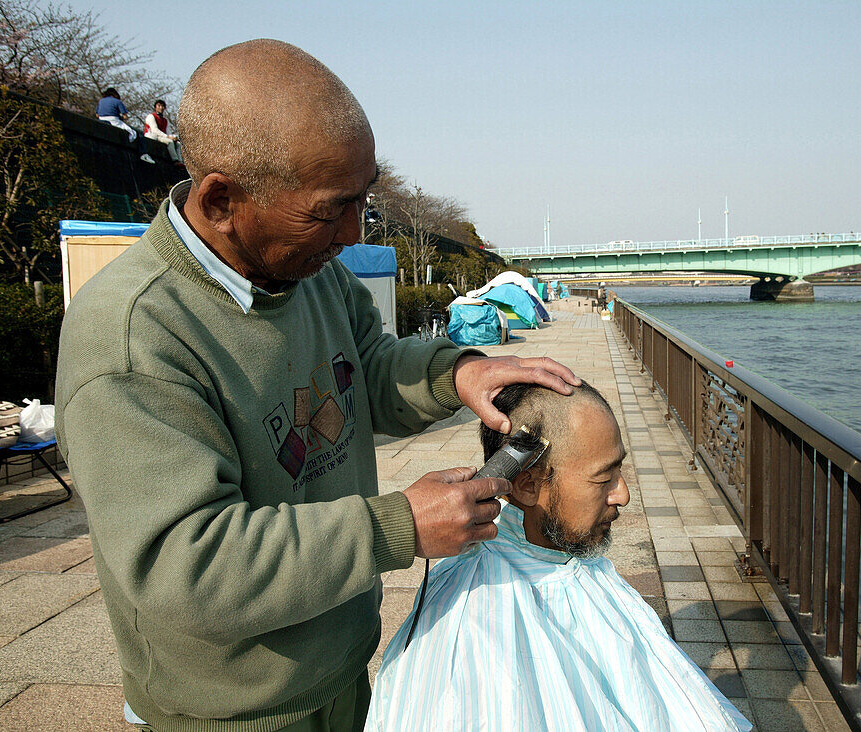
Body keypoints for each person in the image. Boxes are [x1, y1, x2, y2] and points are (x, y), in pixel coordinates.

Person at [56, 39, 580, 732]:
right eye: (328, 210)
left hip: (338, 667)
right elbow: (182, 565)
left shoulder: (307, 270)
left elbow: (367, 369)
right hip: (230, 708)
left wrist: (459, 371)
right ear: (221, 200)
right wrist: (396, 526)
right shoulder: (133, 339)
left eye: (361, 202)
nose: (350, 233)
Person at [366, 383, 752, 731]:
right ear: (529, 485)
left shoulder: (577, 563)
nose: (623, 494)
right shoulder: (472, 623)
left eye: (621, 469)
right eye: (604, 478)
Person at [96, 87, 155, 164]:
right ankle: (144, 154)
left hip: (102, 120)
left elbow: (97, 115)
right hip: (114, 121)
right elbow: (125, 116)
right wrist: (120, 117)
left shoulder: (101, 101)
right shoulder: (117, 101)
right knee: (139, 133)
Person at [143, 99, 183, 164]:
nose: (161, 108)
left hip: (161, 137)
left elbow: (168, 131)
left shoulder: (165, 120)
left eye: (162, 106)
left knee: (178, 144)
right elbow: (154, 130)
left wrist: (173, 137)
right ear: (155, 107)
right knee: (170, 142)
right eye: (159, 106)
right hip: (153, 136)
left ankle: (181, 161)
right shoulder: (151, 116)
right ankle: (175, 160)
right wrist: (168, 137)